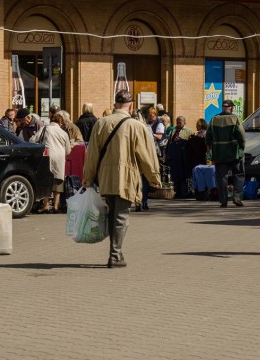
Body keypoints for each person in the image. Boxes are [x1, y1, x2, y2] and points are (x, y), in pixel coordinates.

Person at [82, 90, 162, 268]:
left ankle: (116, 252)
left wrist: (88, 178)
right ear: (131, 105)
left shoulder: (101, 123)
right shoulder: (136, 126)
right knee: (121, 216)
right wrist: (153, 177)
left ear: (114, 104)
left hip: (104, 177)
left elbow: (92, 154)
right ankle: (115, 254)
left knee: (112, 215)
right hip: (125, 176)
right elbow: (146, 155)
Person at [206, 99, 246, 208]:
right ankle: (237, 197)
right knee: (238, 174)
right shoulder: (235, 119)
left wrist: (210, 150)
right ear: (231, 108)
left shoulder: (214, 119)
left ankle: (223, 201)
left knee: (222, 177)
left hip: (219, 154)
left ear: (223, 108)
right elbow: (241, 135)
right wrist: (242, 147)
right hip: (234, 153)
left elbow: (208, 136)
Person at [35, 115, 72, 214]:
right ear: (60, 122)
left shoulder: (45, 129)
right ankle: (55, 206)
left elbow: (33, 139)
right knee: (58, 182)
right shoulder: (63, 133)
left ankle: (46, 205)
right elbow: (68, 151)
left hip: (47, 155)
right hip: (59, 157)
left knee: (46, 180)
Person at [163, 116, 193, 198]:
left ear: (184, 122)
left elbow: (191, 144)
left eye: (180, 122)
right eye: (177, 122)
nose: (178, 124)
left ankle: (184, 192)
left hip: (183, 156)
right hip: (174, 155)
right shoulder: (173, 131)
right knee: (175, 175)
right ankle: (177, 192)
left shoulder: (188, 131)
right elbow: (170, 142)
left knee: (183, 175)